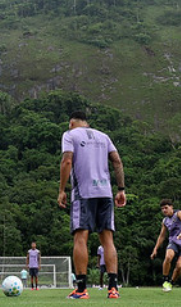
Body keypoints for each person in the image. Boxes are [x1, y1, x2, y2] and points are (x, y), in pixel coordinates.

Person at [58, 110, 126, 300]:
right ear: (86, 123)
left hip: (84, 193)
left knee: (81, 237)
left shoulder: (69, 135)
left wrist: (62, 190)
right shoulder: (104, 136)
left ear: (71, 123)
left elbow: (67, 161)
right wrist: (121, 189)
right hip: (105, 193)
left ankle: (81, 289)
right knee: (107, 239)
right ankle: (113, 289)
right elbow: (117, 161)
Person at [151, 199, 181, 292]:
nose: (164, 210)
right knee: (168, 257)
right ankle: (165, 280)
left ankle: (171, 283)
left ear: (171, 207)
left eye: (166, 208)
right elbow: (162, 236)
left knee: (180, 266)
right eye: (162, 209)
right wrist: (155, 249)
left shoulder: (178, 213)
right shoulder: (165, 221)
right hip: (173, 242)